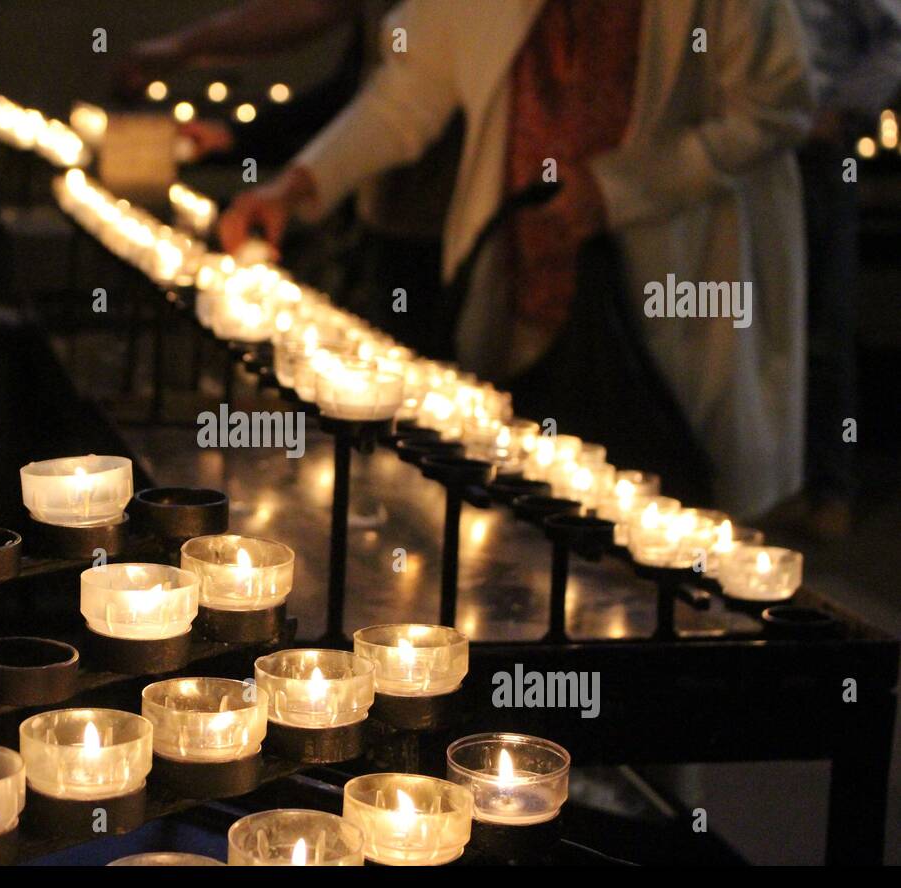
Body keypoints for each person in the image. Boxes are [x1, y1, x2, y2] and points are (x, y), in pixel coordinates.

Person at [220, 0, 815, 519]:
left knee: (666, 490)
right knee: (527, 495)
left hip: (674, 284)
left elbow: (775, 108)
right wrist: (296, 185)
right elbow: (406, 95)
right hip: (522, 273)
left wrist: (620, 187)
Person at [115, 0, 462, 359]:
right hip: (393, 209)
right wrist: (275, 170)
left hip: (440, 215)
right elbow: (401, 96)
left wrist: (248, 138)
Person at [790, 0, 901, 539]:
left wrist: (840, 108)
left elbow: (894, 37)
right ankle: (765, 476)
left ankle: (830, 485)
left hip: (817, 149)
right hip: (751, 148)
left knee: (824, 327)